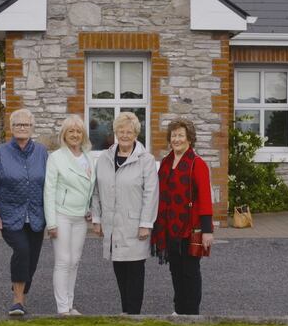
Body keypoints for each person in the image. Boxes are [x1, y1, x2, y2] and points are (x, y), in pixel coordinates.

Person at [91, 111, 158, 315]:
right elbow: (96, 191)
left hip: (135, 225)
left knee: (135, 272)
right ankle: (125, 312)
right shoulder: (104, 158)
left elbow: (151, 193)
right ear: (116, 132)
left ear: (136, 133)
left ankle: (134, 315)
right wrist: (96, 219)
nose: (125, 135)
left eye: (129, 131)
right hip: (112, 225)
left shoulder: (146, 160)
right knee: (119, 269)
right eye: (121, 131)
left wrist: (146, 223)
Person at [0, 108, 48, 316]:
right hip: (9, 215)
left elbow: (50, 184)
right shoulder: (0, 152)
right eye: (18, 124)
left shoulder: (42, 152)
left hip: (37, 216)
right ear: (11, 128)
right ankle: (17, 301)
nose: (22, 127)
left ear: (32, 128)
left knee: (33, 259)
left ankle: (21, 292)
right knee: (22, 250)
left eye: (26, 125)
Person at [151, 118, 214, 315]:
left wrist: (207, 231)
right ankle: (179, 311)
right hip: (170, 227)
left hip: (190, 228)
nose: (176, 139)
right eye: (174, 135)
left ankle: (192, 313)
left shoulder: (198, 164)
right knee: (176, 272)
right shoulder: (166, 162)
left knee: (190, 273)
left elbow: (205, 198)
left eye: (180, 135)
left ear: (189, 139)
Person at [43, 114, 96, 316]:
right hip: (61, 215)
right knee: (63, 261)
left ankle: (70, 304)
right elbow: (49, 190)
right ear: (64, 135)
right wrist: (52, 223)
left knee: (75, 261)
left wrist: (91, 209)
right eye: (71, 131)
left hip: (81, 217)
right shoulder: (56, 158)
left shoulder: (89, 157)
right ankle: (62, 308)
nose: (75, 135)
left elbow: (91, 188)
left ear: (83, 135)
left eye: (78, 131)